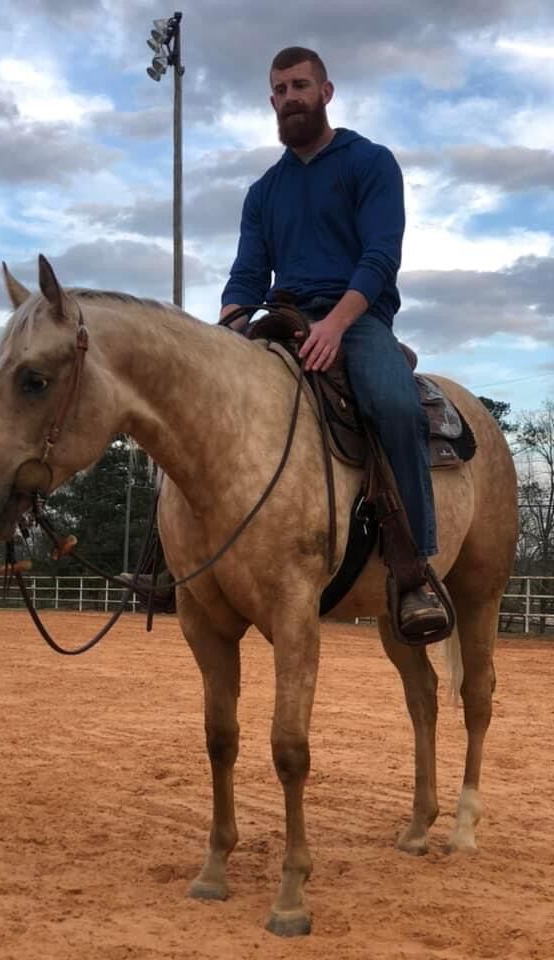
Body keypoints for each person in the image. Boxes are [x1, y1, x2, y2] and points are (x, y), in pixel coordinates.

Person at [220, 46, 446, 637]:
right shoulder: (264, 191)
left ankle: (413, 567)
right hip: (285, 315)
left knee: (394, 405)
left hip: (357, 317)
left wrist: (337, 324)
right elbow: (247, 277)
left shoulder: (369, 162)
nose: (289, 97)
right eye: (279, 89)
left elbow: (379, 258)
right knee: (204, 404)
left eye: (300, 85)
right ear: (271, 101)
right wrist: (225, 336)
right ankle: (178, 565)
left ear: (326, 91)